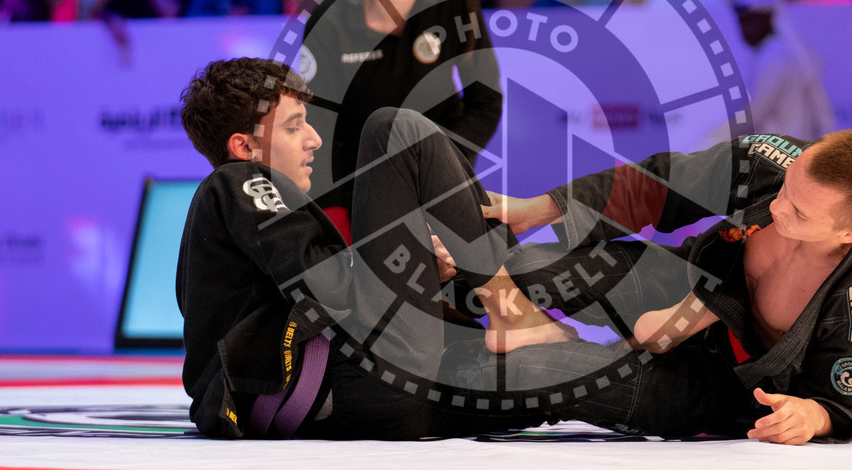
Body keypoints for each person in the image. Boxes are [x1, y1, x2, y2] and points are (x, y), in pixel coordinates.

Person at [176, 58, 574, 440]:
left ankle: (574, 324)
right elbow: (328, 288)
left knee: (573, 373)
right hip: (352, 383)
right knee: (396, 130)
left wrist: (424, 270)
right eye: (294, 127)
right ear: (244, 147)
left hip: (373, 399)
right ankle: (516, 307)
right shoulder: (237, 179)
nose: (314, 139)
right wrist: (416, 267)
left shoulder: (238, 223)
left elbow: (324, 290)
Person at [478, 128, 852, 444]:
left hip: (726, 382)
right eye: (786, 189)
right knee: (527, 266)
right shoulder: (771, 160)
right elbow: (658, 187)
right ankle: (524, 329)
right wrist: (537, 209)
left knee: (538, 372)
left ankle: (528, 354)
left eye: (801, 214)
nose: (779, 209)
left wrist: (809, 415)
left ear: (850, 234)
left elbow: (835, 405)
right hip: (688, 281)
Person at [301, 0, 502, 241]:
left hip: (440, 162)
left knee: (469, 264)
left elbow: (486, 100)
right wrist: (332, 209)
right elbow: (317, 120)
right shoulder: (330, 18)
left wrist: (445, 165)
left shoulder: (454, 1)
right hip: (355, 171)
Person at [732, 0, 836, 140]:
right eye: (741, 23)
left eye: (750, 22)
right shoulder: (769, 54)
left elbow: (756, 111)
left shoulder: (776, 57)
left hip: (788, 148)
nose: (745, 30)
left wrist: (712, 138)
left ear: (768, 21)